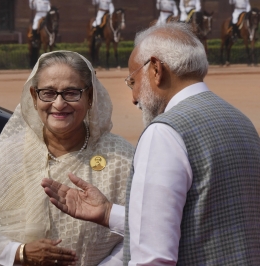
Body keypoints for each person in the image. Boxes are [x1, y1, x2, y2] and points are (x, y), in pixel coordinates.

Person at [42, 22, 260, 265]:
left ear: (156, 69)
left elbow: (154, 258)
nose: (134, 98)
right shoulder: (240, 120)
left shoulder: (165, 132)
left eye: (133, 82)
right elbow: (210, 220)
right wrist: (107, 213)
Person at [0, 50, 135, 266]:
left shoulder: (120, 155)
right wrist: (20, 253)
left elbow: (141, 231)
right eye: (48, 93)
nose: (59, 104)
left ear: (90, 97)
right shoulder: (13, 151)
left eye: (71, 93)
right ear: (33, 96)